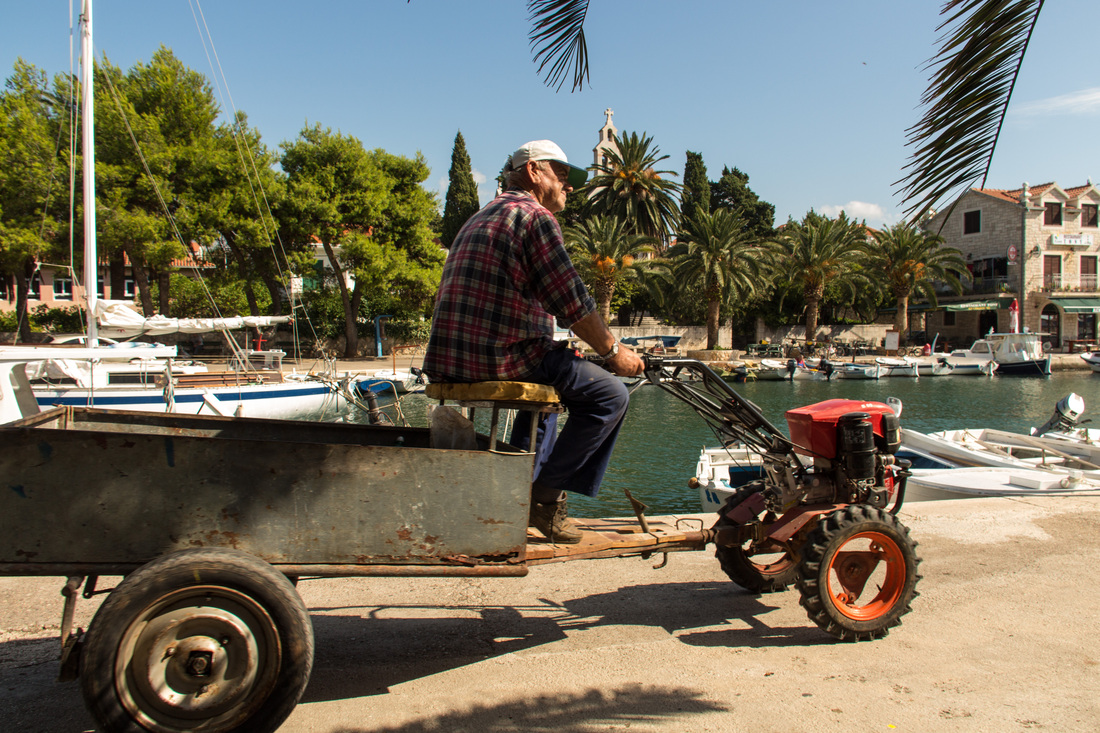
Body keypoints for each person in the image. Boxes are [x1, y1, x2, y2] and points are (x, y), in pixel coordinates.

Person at [423, 139, 644, 543]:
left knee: (552, 390)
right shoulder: (534, 216)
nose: (568, 185)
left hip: (452, 360)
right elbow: (571, 300)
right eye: (561, 174)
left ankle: (521, 491)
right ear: (533, 170)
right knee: (609, 396)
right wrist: (614, 352)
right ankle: (544, 499)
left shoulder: (480, 216)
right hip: (498, 357)